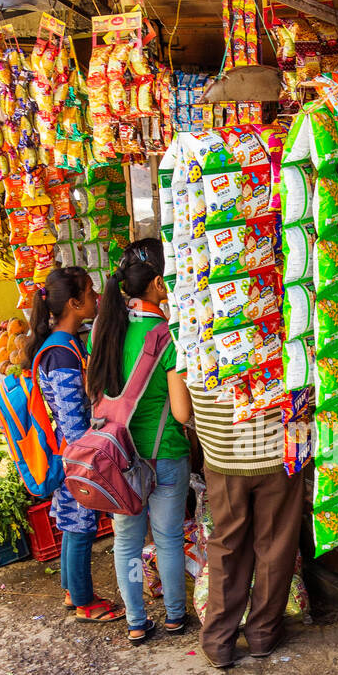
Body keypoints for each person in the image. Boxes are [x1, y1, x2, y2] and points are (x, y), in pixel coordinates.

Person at [86, 240, 192, 646]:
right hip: (162, 453)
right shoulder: (166, 336)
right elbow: (181, 413)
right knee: (166, 538)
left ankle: (135, 620)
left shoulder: (103, 330)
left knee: (126, 541)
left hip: (115, 459)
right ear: (160, 284)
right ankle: (175, 617)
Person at [26, 267, 123, 622]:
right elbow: (71, 417)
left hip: (66, 451)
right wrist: (92, 456)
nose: (97, 296)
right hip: (74, 452)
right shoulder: (63, 354)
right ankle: (84, 602)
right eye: (90, 291)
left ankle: (71, 590)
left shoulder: (64, 344)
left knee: (70, 521)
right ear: (73, 303)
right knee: (81, 524)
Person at [190, 384, 307, 669]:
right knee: (276, 543)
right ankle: (263, 634)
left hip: (223, 451)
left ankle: (218, 641)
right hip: (283, 446)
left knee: (227, 543)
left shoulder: (186, 337)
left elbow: (184, 408)